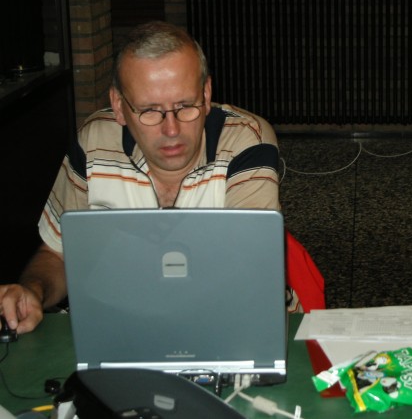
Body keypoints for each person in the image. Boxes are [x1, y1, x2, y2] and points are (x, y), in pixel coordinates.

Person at [0, 21, 281, 334]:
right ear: (119, 106)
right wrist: (33, 291)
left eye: (185, 106)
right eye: (149, 111)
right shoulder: (94, 143)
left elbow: (250, 275)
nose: (171, 129)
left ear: (206, 94)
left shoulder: (246, 142)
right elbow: (58, 253)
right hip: (123, 328)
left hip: (225, 325)